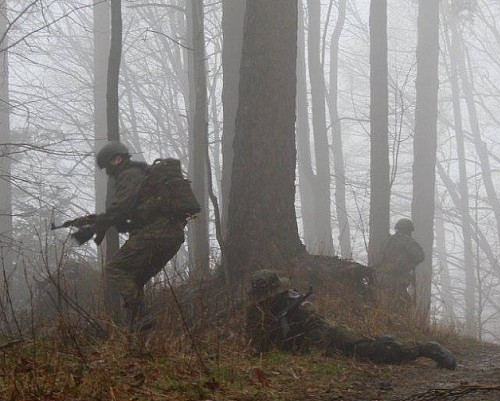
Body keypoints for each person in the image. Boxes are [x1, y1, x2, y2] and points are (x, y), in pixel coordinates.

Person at [245, 270, 456, 370]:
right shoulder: (256, 314)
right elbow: (255, 343)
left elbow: (317, 326)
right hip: (305, 349)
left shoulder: (293, 301)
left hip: (332, 336)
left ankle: (425, 349)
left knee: (375, 351)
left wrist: (311, 357)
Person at [93, 140, 199, 331]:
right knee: (133, 279)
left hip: (157, 233)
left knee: (115, 268)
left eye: (108, 166)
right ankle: (140, 335)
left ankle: (142, 319)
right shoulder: (144, 175)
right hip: (172, 235)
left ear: (116, 160)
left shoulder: (129, 175)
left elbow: (122, 206)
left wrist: (102, 220)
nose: (108, 172)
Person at [373, 218, 425, 313]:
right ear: (409, 230)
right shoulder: (407, 240)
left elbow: (377, 260)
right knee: (401, 303)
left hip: (382, 276)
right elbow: (420, 256)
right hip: (397, 277)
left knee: (388, 301)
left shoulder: (387, 240)